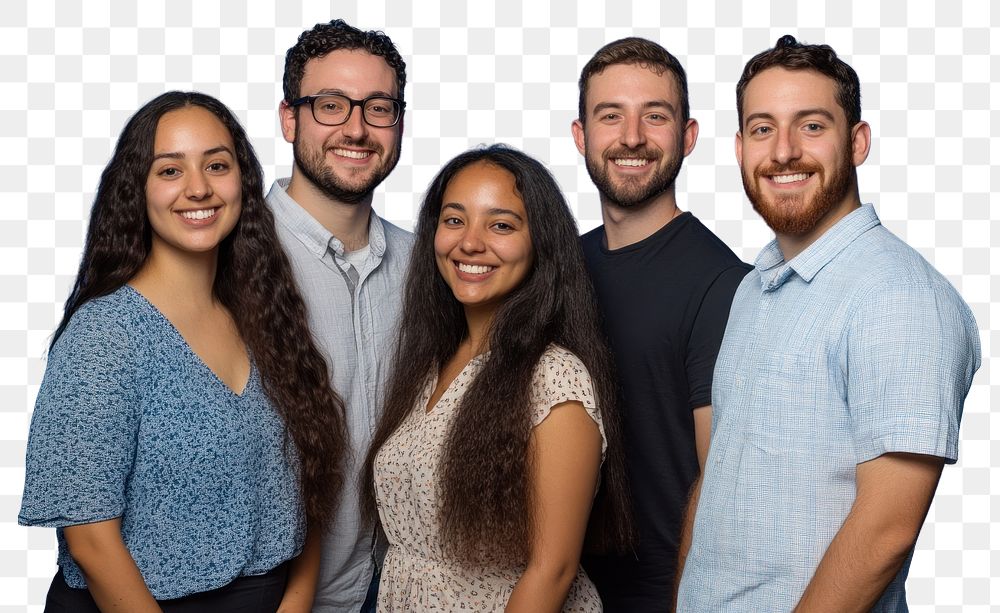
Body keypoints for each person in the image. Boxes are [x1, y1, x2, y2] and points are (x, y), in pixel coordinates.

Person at [676, 35, 981, 611]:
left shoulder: (899, 295)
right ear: (740, 148)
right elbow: (718, 483)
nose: (784, 151)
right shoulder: (752, 288)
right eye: (763, 129)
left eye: (812, 126)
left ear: (858, 141)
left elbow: (886, 530)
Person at [19, 91, 347, 612]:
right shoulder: (105, 335)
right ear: (137, 191)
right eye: (170, 171)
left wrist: (298, 600)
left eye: (217, 165)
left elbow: (308, 478)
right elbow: (90, 537)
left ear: (242, 181)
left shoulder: (267, 317)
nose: (199, 189)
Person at [360, 144, 633, 612]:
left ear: (540, 244)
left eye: (501, 224)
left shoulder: (555, 379)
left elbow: (554, 571)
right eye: (454, 219)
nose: (470, 242)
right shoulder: (431, 363)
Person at [569, 37, 751, 610]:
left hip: (663, 596)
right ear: (581, 136)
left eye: (655, 116)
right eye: (610, 116)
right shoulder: (559, 270)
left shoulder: (722, 286)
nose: (631, 138)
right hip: (559, 587)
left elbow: (723, 484)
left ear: (689, 136)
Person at [268, 20, 414, 611]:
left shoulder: (431, 265)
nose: (356, 128)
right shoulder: (228, 255)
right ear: (289, 118)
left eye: (378, 107)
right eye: (331, 105)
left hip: (392, 592)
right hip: (263, 598)